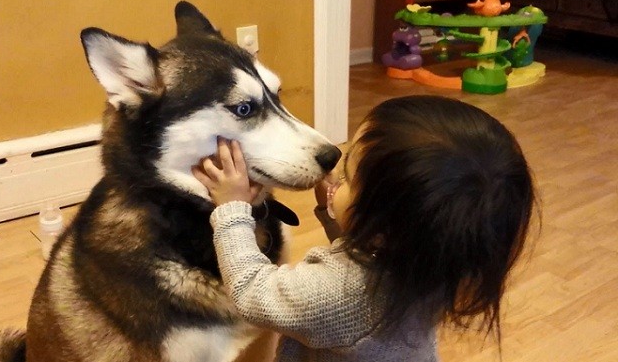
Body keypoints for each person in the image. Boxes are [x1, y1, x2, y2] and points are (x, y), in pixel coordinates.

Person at [192, 95, 536, 362]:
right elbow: (366, 254)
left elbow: (252, 293)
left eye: (349, 177)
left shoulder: (334, 293)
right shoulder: (437, 258)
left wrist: (232, 209)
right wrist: (333, 212)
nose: (337, 174)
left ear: (381, 225)